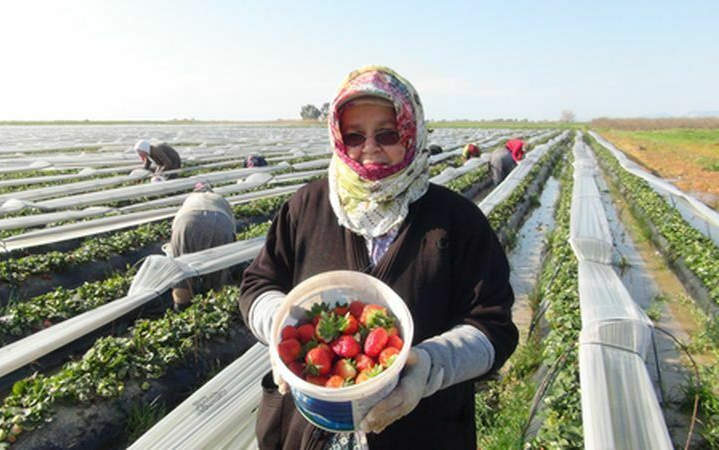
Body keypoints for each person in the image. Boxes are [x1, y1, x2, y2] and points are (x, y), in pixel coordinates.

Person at [240, 66, 517, 450]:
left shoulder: (458, 222)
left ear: (413, 131)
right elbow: (258, 284)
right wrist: (278, 325)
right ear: (337, 137)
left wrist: (431, 366)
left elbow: (493, 327)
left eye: (387, 133)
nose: (369, 146)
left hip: (422, 433)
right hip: (307, 432)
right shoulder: (306, 207)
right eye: (354, 135)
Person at [169, 182, 236, 310]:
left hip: (187, 221)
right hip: (220, 221)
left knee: (181, 270)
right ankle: (215, 306)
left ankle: (182, 307)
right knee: (219, 269)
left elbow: (174, 234)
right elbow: (233, 236)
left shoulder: (189, 200)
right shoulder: (220, 200)